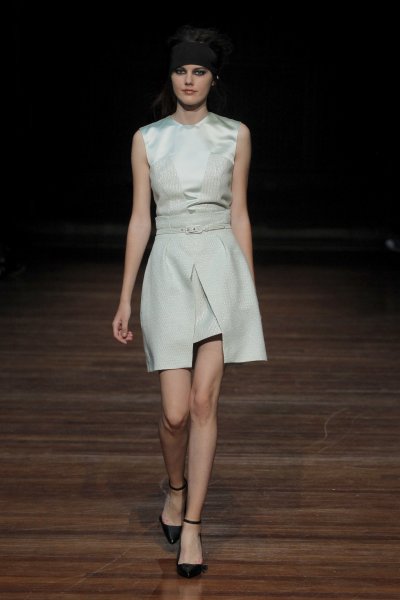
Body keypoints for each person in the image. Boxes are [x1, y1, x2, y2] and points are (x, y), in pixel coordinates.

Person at [112, 25, 268, 578]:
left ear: (212, 78)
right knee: (174, 414)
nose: (189, 79)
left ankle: (194, 527)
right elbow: (140, 219)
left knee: (204, 404)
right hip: (169, 268)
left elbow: (240, 213)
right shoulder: (147, 139)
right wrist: (125, 296)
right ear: (171, 76)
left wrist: (247, 291)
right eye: (181, 70)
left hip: (221, 266)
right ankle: (175, 489)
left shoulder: (235, 135)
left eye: (199, 71)